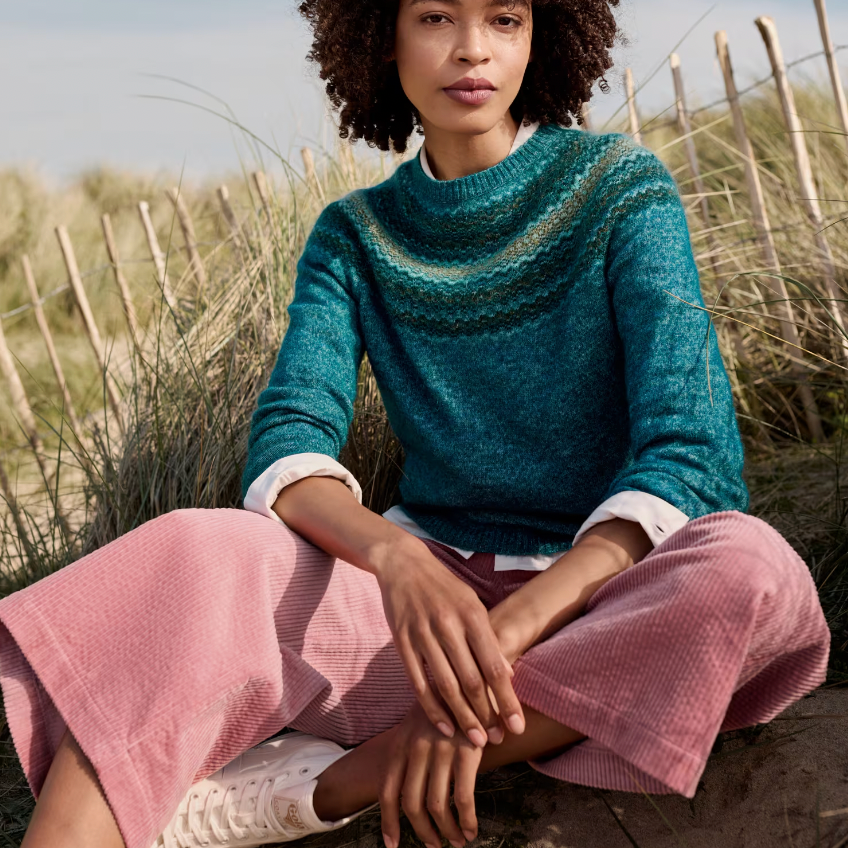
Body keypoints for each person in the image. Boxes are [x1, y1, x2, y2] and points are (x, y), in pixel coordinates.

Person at [0, 0, 832, 847]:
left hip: (599, 605)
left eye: (505, 18)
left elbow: (692, 453)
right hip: (414, 619)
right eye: (436, 16)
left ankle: (328, 786)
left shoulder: (621, 190)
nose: (472, 49)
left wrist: (503, 641)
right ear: (380, 38)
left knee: (751, 569)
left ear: (544, 33)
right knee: (191, 551)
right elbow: (290, 435)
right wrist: (395, 559)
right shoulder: (354, 237)